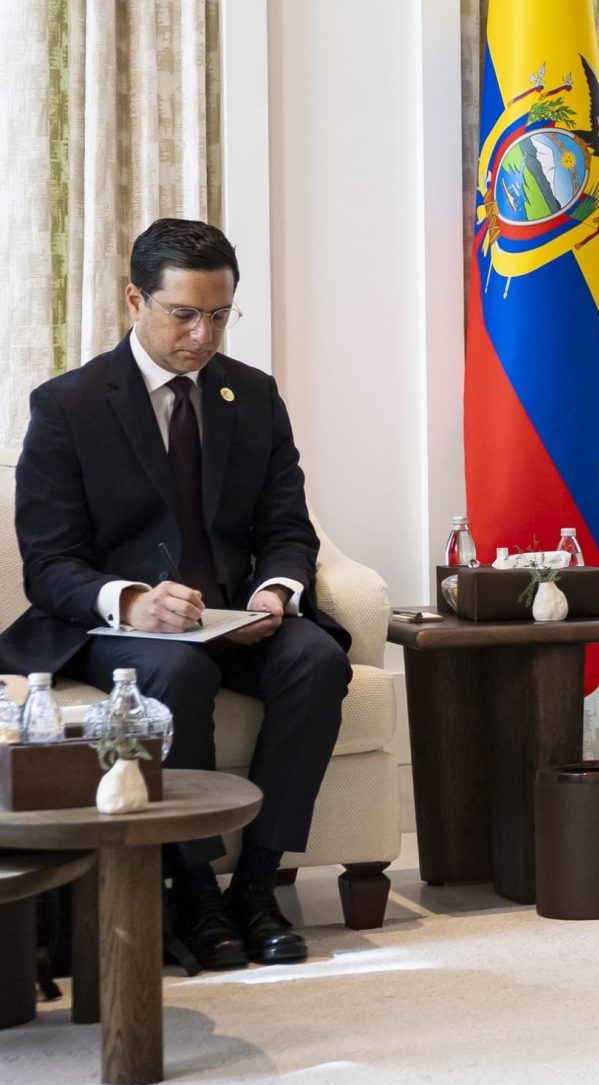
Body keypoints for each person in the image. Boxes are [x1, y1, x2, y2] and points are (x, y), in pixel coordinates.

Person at [3, 220, 352, 969]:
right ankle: (193, 891)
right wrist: (132, 602)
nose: (204, 335)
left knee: (317, 658)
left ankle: (255, 886)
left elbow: (287, 527)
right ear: (136, 300)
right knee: (177, 670)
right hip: (118, 630)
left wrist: (274, 592)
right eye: (184, 314)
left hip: (232, 616)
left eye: (220, 315)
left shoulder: (251, 395)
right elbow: (49, 564)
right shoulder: (68, 405)